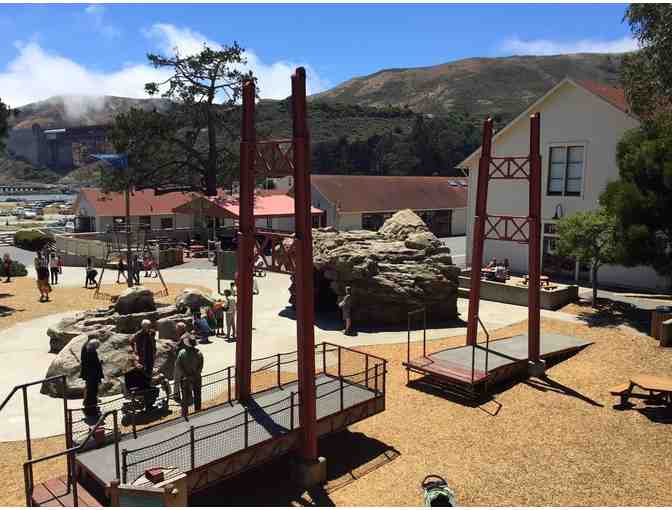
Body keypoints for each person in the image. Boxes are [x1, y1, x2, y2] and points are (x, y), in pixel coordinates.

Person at [175, 335, 204, 418]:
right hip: (196, 378)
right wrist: (195, 375)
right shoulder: (199, 353)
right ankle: (198, 412)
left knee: (185, 396)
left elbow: (178, 365)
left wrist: (185, 375)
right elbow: (200, 366)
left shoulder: (182, 353)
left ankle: (185, 414)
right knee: (197, 395)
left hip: (185, 379)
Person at [80, 339, 104, 418]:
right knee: (92, 393)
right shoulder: (91, 353)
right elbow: (94, 365)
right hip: (93, 377)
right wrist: (100, 363)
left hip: (90, 376)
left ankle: (89, 408)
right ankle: (91, 411)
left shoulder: (87, 350)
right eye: (96, 347)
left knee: (89, 392)